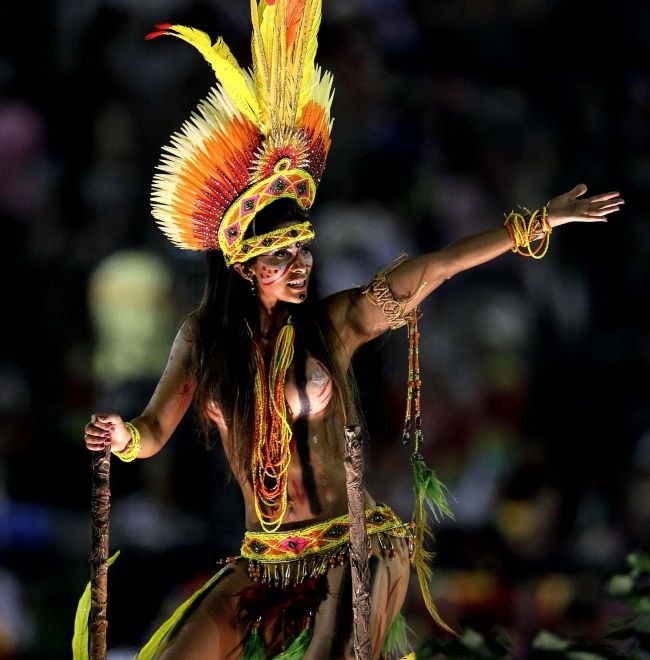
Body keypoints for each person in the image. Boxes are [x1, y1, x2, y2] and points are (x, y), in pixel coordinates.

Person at [79, 1, 624, 658]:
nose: (300, 265)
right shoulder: (204, 337)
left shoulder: (333, 323)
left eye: (304, 249)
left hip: (352, 548)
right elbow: (154, 431)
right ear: (245, 266)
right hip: (261, 558)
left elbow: (436, 269)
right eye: (281, 254)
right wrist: (123, 437)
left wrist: (535, 222)